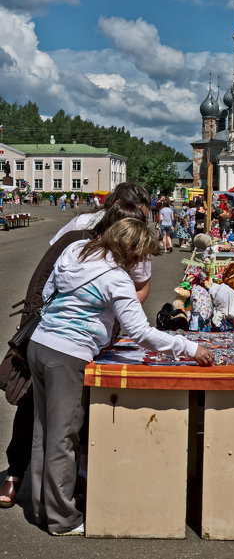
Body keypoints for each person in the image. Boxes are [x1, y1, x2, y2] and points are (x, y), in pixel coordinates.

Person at [27, 218, 214, 536]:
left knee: (43, 432)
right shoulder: (116, 279)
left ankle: (41, 507)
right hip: (67, 354)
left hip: (40, 343)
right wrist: (189, 347)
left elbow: (48, 289)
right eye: (143, 256)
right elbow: (141, 333)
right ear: (133, 251)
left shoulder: (77, 250)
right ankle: (61, 518)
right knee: (63, 436)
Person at [0, 201, 149, 510]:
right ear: (116, 222)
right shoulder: (77, 240)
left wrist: (108, 324)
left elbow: (138, 287)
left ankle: (54, 498)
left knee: (57, 426)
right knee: (46, 422)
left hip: (70, 341)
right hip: (59, 342)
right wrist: (39, 317)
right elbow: (44, 279)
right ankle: (22, 480)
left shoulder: (108, 256)